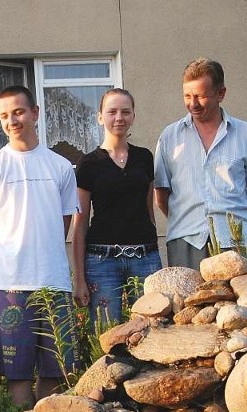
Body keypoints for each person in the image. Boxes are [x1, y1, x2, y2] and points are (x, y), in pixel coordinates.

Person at [0, 85, 79, 409]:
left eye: (18, 112)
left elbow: (63, 224)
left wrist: (42, 259)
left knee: (55, 370)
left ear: (35, 113)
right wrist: (10, 266)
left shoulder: (60, 167)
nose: (12, 120)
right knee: (17, 375)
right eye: (4, 115)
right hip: (9, 288)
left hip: (54, 283)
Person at [73, 88, 162, 325]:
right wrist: (79, 279)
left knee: (152, 328)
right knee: (106, 333)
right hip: (102, 262)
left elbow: (149, 211)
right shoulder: (88, 163)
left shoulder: (144, 158)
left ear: (133, 115)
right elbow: (79, 224)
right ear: (100, 116)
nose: (119, 117)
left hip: (145, 258)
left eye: (125, 111)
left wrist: (154, 250)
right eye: (112, 111)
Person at [155, 58, 247, 270]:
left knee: (238, 305)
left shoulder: (243, 135)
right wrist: (187, 217)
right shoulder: (170, 137)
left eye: (201, 96)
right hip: (185, 242)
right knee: (187, 303)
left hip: (236, 242)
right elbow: (161, 195)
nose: (193, 104)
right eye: (187, 96)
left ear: (221, 93)